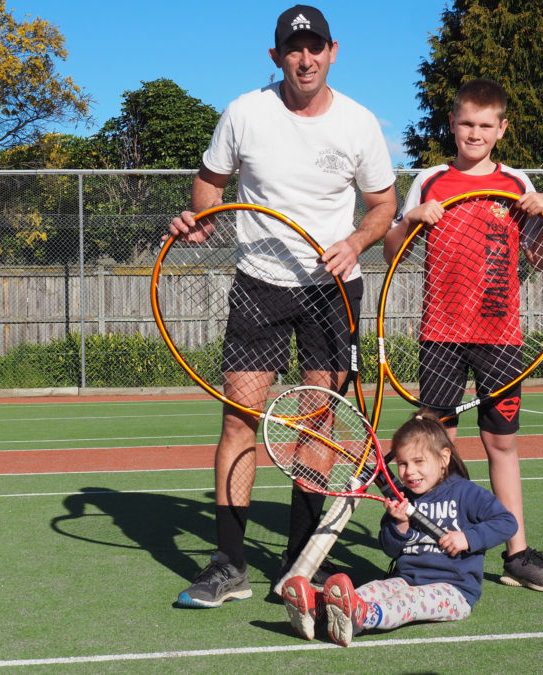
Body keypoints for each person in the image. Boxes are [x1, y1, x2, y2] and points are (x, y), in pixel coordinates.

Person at [167, 4, 397, 608]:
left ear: (333, 51)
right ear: (277, 57)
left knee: (317, 420)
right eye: (294, 49)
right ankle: (230, 564)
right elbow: (209, 182)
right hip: (260, 282)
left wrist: (355, 241)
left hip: (332, 288)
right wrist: (201, 220)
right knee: (240, 418)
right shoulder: (245, 112)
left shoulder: (358, 123)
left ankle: (301, 563)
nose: (306, 58)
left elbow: (382, 205)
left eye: (316, 46)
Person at [381, 78, 543, 593]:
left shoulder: (516, 184)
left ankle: (517, 552)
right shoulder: (431, 179)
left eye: (486, 125)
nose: (475, 133)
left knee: (500, 442)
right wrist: (411, 218)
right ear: (453, 123)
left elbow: (542, 259)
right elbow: (390, 250)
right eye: (467, 123)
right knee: (436, 446)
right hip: (441, 333)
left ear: (502, 129)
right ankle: (427, 543)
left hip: (501, 335)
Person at [282, 411, 518, 645]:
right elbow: (390, 548)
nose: (409, 472)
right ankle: (318, 609)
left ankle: (361, 615)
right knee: (374, 589)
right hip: (406, 578)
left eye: (418, 462)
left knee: (409, 601)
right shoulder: (402, 498)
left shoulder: (467, 493)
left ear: (443, 458)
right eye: (403, 464)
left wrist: (468, 537)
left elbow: (507, 523)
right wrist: (400, 523)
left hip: (454, 591)